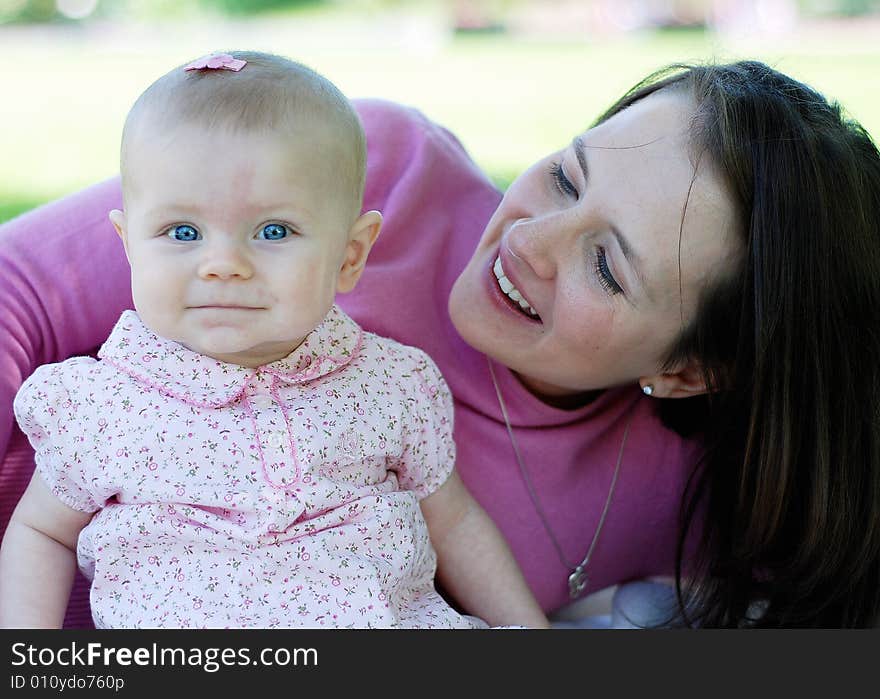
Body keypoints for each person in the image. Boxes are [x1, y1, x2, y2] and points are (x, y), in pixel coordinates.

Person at [0, 58, 877, 628]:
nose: (530, 241)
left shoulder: (694, 496)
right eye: (566, 175)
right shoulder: (376, 161)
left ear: (687, 369)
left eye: (606, 266)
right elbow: (18, 288)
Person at [0, 51, 550, 630]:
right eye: (182, 232)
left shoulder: (389, 382)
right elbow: (42, 533)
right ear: (130, 244)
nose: (223, 264)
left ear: (350, 254)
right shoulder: (98, 404)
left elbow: (454, 521)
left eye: (273, 231)